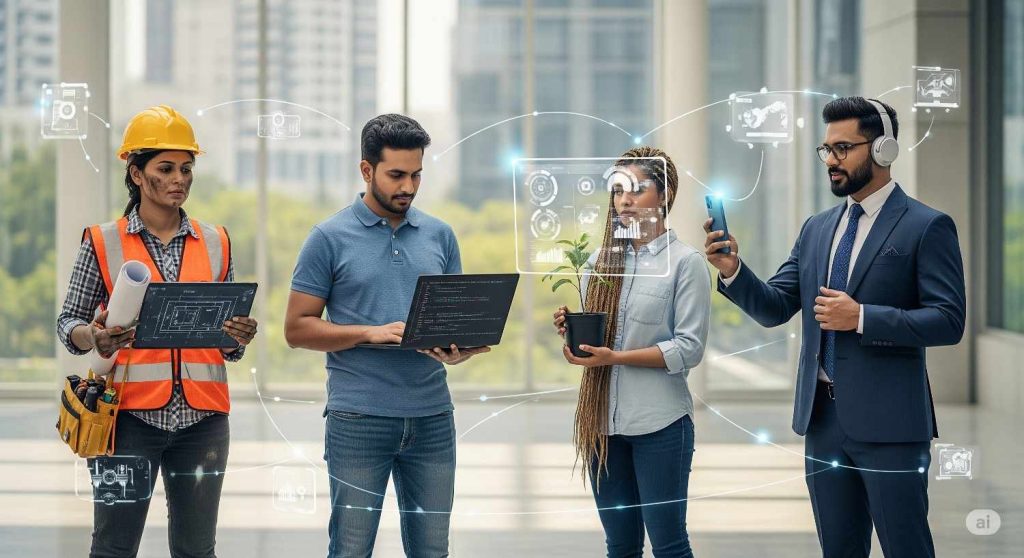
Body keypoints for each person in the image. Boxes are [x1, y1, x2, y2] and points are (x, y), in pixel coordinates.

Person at [705, 97, 965, 558]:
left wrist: (862, 317)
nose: (831, 160)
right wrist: (732, 269)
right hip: (822, 422)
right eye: (826, 150)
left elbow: (948, 321)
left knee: (906, 547)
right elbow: (774, 307)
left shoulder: (927, 226)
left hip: (892, 428)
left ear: (883, 149)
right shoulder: (817, 229)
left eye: (844, 148)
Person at [57, 105, 258, 558]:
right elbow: (68, 322)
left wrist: (237, 336)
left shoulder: (216, 241)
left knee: (196, 550)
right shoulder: (103, 241)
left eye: (186, 169)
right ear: (135, 172)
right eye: (165, 168)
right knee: (113, 547)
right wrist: (95, 335)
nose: (179, 179)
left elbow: (227, 349)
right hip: (125, 421)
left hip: (203, 423)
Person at [284, 114, 489, 557]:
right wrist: (368, 333)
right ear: (366, 170)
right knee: (352, 550)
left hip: (433, 418)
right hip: (358, 420)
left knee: (433, 551)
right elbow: (297, 328)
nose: (408, 187)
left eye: (416, 175)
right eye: (396, 175)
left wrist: (458, 349)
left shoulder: (440, 235)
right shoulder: (327, 238)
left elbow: (450, 321)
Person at [552, 146, 711, 558]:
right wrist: (572, 331)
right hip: (603, 425)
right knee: (620, 546)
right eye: (618, 190)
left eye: (637, 190)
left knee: (669, 545)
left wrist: (616, 358)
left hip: (661, 425)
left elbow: (689, 349)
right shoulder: (597, 264)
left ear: (665, 195)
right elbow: (600, 341)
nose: (624, 199)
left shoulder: (686, 263)